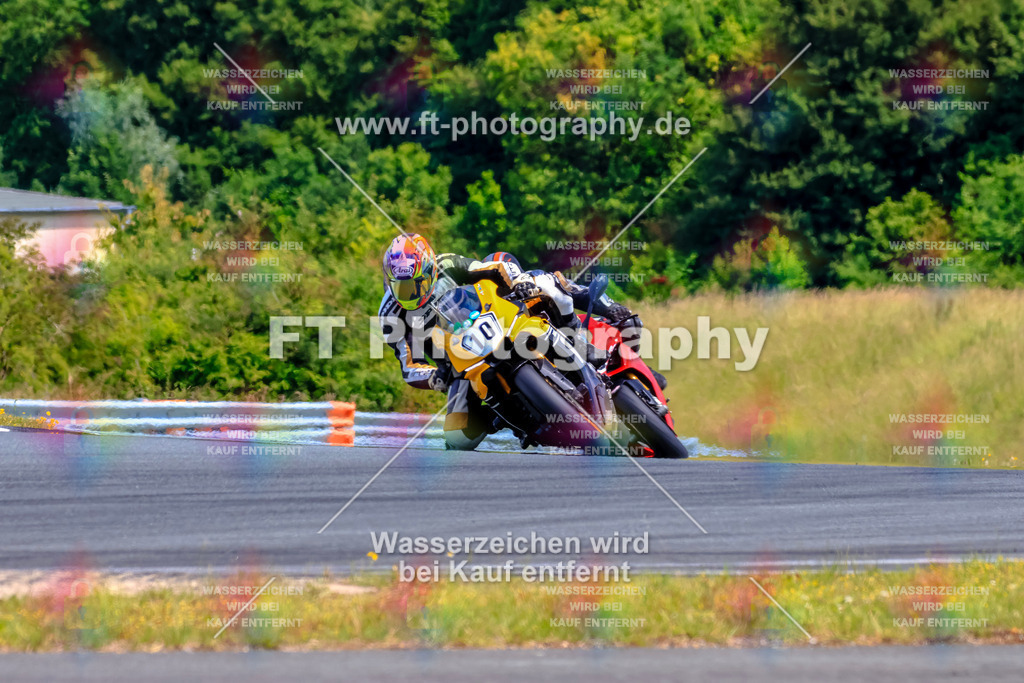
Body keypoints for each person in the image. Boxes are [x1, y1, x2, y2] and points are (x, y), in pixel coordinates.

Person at [378, 234, 650, 451]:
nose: (410, 293)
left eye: (415, 284)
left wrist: (519, 283)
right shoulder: (391, 313)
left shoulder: (446, 264)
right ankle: (506, 419)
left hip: (491, 322)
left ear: (428, 269)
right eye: (402, 287)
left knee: (542, 281)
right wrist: (436, 377)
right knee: (459, 438)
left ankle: (590, 329)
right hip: (458, 367)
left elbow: (491, 267)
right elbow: (408, 366)